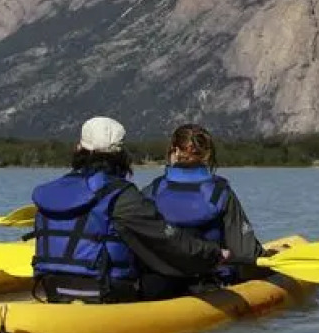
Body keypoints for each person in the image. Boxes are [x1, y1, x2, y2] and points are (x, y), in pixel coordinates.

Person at [28, 116, 233, 303]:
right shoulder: (122, 196)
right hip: (106, 292)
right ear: (121, 155)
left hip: (53, 288)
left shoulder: (50, 192)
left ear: (78, 148)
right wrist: (213, 253)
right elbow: (168, 241)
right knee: (159, 275)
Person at [140, 123, 268, 294]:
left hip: (160, 284)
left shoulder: (153, 190)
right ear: (207, 154)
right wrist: (266, 258)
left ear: (175, 151)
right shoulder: (220, 191)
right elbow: (245, 252)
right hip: (208, 284)